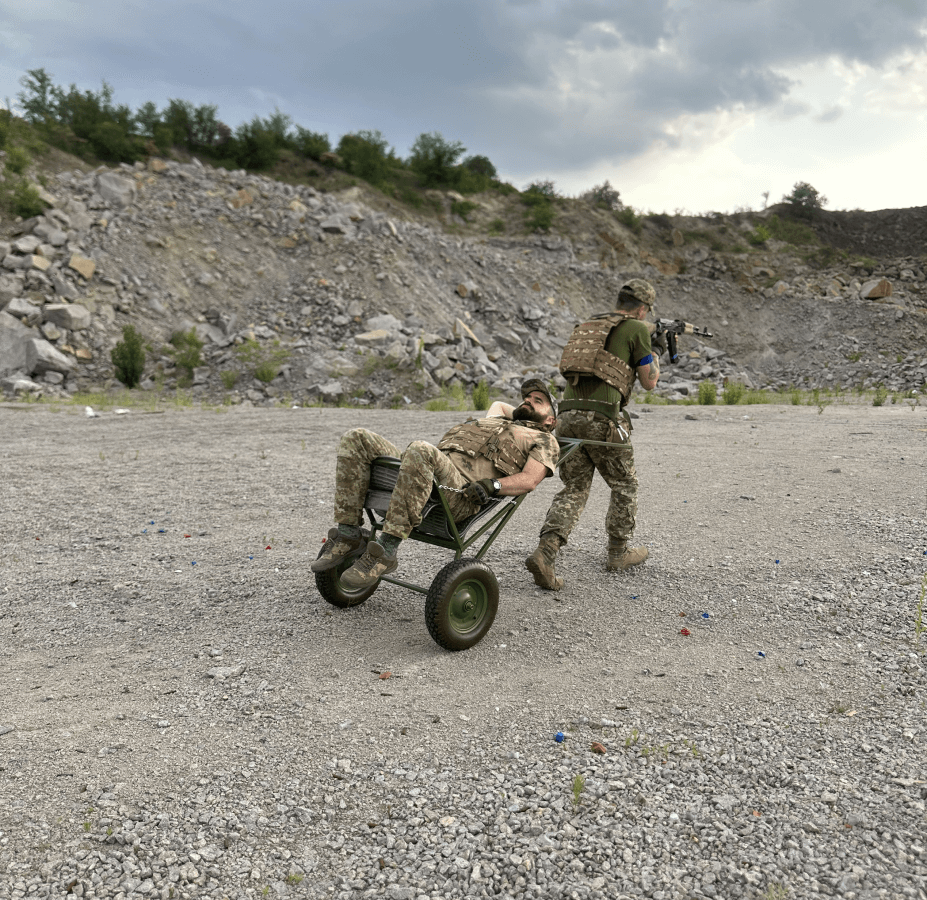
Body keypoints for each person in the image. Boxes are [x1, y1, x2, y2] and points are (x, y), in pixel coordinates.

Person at [312, 378, 560, 590]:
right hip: (426, 473)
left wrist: (493, 486)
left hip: (459, 495)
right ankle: (347, 535)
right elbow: (500, 405)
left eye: (538, 401)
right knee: (356, 438)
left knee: (421, 449)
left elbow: (529, 480)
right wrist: (526, 410)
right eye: (526, 397)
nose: (528, 401)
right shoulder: (497, 419)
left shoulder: (545, 439)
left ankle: (386, 551)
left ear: (550, 421)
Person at [525, 278, 661, 591]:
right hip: (602, 417)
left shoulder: (589, 325)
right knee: (625, 483)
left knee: (575, 486)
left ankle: (546, 552)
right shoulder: (638, 329)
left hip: (567, 416)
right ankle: (617, 552)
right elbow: (649, 381)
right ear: (642, 309)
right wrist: (655, 354)